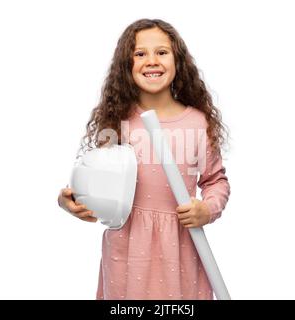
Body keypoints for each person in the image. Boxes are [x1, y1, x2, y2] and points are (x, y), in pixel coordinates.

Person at [57, 18, 231, 300]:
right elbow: (96, 179)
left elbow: (215, 181)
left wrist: (207, 209)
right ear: (127, 65)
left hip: (181, 246)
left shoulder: (197, 124)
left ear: (178, 61)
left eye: (161, 52)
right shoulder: (117, 122)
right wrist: (69, 200)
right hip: (127, 247)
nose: (152, 61)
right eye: (140, 54)